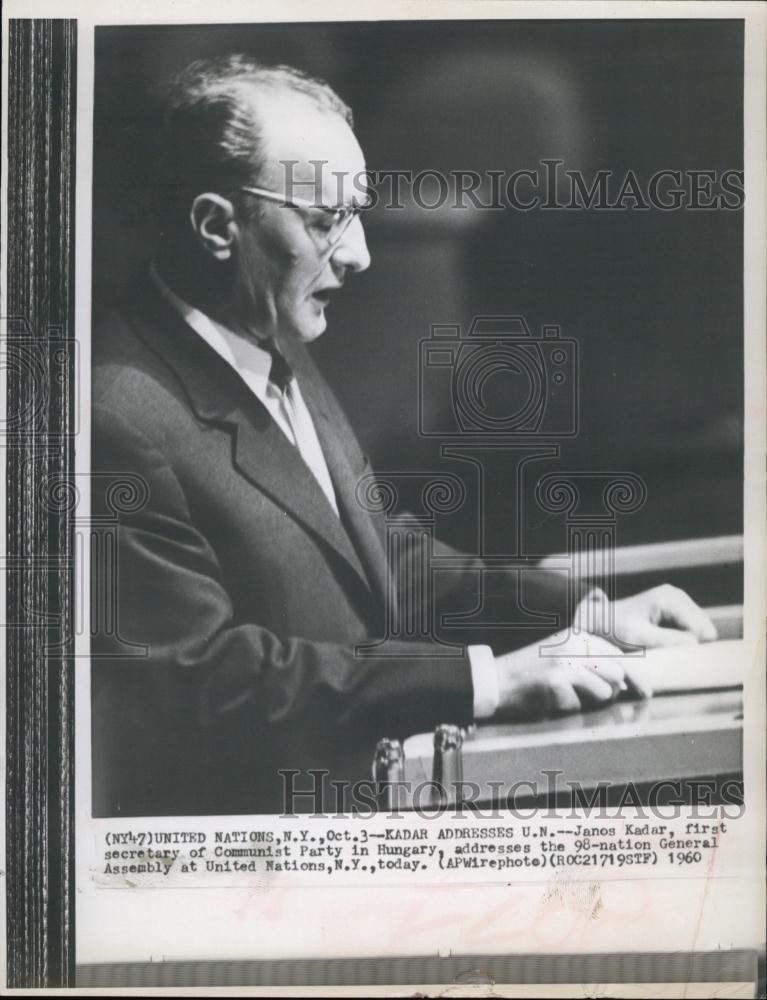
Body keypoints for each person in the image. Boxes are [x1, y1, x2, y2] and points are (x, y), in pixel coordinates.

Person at [91, 55, 717, 816]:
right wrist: (487, 680)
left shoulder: (264, 335)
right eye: (326, 221)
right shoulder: (113, 414)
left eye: (357, 215)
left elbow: (377, 552)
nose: (359, 256)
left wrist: (580, 611)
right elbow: (206, 679)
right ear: (217, 225)